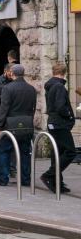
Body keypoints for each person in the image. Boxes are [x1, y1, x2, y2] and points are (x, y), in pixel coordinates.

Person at [0, 64, 35, 187]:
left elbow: (4, 108)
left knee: (5, 151)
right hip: (27, 124)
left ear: (12, 73)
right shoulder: (31, 89)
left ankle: (3, 178)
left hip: (10, 124)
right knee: (25, 152)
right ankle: (25, 179)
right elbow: (32, 108)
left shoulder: (8, 88)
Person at [42, 62, 76, 193]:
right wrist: (68, 115)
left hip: (53, 123)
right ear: (64, 73)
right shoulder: (59, 86)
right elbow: (60, 106)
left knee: (58, 152)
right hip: (60, 123)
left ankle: (57, 182)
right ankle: (49, 175)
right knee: (70, 152)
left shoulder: (50, 85)